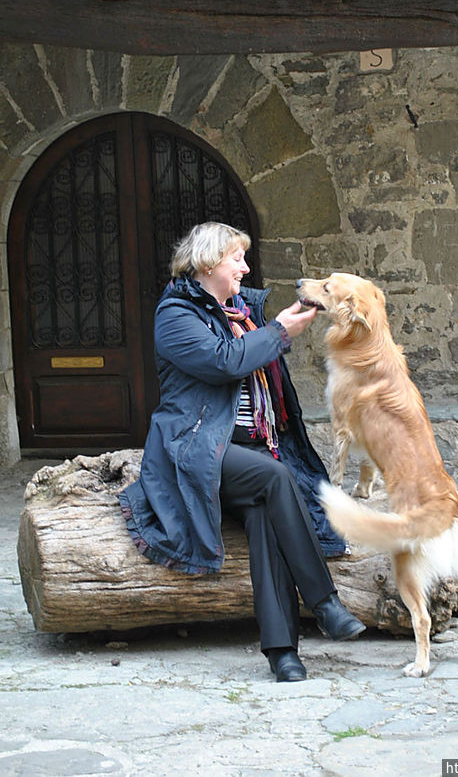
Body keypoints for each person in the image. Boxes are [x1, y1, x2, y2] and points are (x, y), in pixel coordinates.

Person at [119, 222, 365, 682]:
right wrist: (277, 331)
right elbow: (223, 361)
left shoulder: (241, 314)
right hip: (195, 452)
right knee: (275, 478)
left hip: (248, 455)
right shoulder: (174, 314)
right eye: (238, 258)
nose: (246, 268)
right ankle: (326, 603)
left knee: (264, 514)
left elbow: (260, 370)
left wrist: (277, 327)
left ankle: (282, 653)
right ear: (209, 262)